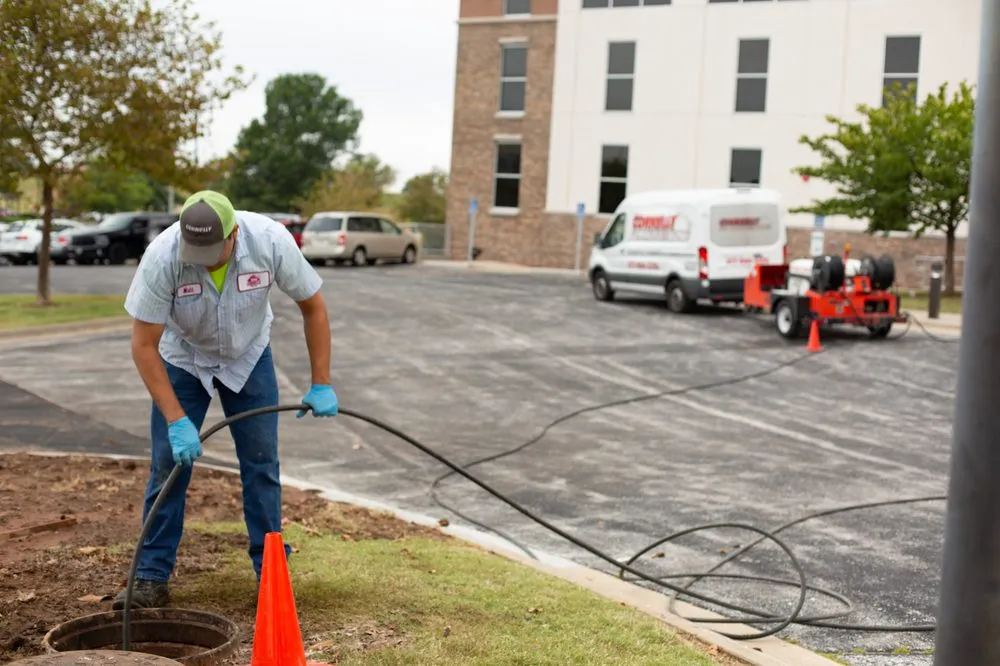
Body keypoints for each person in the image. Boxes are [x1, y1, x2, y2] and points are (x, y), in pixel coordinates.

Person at [112, 190, 339, 610]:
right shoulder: (163, 257)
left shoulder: (270, 241)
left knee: (261, 464)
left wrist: (320, 382)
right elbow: (144, 345)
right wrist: (177, 420)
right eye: (195, 250)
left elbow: (314, 307)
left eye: (213, 249)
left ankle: (271, 572)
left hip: (248, 356)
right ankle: (150, 577)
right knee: (169, 466)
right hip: (183, 359)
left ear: (234, 233)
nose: (204, 258)